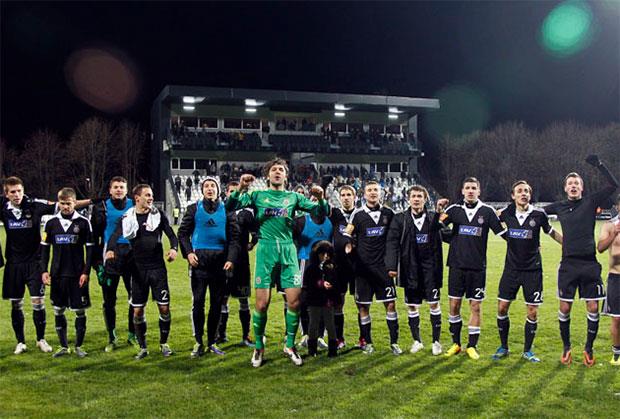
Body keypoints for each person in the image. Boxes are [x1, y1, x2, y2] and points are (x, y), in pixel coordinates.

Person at [226, 158, 328, 367]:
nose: (277, 172)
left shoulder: (294, 197)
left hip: (288, 250)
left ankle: (289, 346)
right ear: (268, 175)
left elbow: (320, 212)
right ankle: (258, 348)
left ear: (286, 176)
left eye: (281, 169)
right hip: (266, 249)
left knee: (294, 303)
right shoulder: (257, 195)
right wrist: (241, 187)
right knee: (261, 304)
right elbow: (230, 206)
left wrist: (321, 198)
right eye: (274, 169)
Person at [545, 155, 618, 366]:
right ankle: (566, 347)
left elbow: (613, 186)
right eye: (570, 183)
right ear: (565, 188)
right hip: (568, 265)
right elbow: (534, 214)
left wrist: (600, 165)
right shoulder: (559, 206)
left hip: (589, 264)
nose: (573, 186)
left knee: (593, 307)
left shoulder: (590, 201)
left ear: (582, 188)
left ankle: (588, 348)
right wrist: (552, 234)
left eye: (577, 183)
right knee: (565, 308)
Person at [491, 181, 562, 362]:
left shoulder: (539, 214)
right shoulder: (506, 213)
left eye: (526, 191)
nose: (523, 194)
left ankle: (527, 351)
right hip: (511, 269)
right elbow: (492, 220)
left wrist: (569, 245)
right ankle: (503, 347)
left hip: (533, 270)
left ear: (530, 195)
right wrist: (505, 235)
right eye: (519, 191)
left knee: (532, 312)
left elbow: (551, 232)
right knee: (502, 308)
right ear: (513, 196)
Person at [106, 184, 178, 360]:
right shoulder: (127, 217)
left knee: (164, 307)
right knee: (138, 311)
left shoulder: (158, 215)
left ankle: (164, 343)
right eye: (147, 195)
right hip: (137, 270)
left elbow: (171, 235)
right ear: (137, 198)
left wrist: (173, 249)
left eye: (151, 195)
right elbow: (115, 235)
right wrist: (110, 249)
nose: (151, 198)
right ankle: (143, 347)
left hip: (157, 269)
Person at [439, 177, 506, 360]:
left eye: (473, 188)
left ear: (479, 191)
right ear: (462, 191)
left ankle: (472, 346)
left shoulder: (487, 211)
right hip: (456, 266)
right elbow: (437, 227)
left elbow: (503, 233)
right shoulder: (454, 210)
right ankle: (456, 344)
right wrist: (452, 237)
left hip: (477, 267)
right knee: (454, 305)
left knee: (475, 306)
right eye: (467, 188)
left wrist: (527, 244)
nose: (470, 191)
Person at [177, 177, 240, 357]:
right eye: (206, 186)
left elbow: (234, 238)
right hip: (199, 263)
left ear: (218, 190)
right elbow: (182, 234)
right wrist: (189, 253)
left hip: (220, 264)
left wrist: (231, 259)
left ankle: (212, 341)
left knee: (216, 304)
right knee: (198, 302)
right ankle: (198, 342)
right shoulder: (193, 209)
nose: (210, 188)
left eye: (213, 186)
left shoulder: (227, 210)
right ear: (202, 190)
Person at [1, 176, 58, 354]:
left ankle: (41, 339)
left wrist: (92, 201)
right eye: (12, 192)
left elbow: (65, 202)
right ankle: (20, 342)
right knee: (16, 304)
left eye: (19, 191)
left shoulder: (34, 205)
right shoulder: (3, 208)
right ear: (6, 194)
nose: (17, 195)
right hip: (13, 264)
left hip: (35, 263)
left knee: (38, 302)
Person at [385, 185, 445, 356]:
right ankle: (417, 341)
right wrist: (391, 266)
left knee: (434, 303)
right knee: (412, 305)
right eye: (414, 196)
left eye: (420, 196)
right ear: (408, 199)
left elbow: (447, 232)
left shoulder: (433, 217)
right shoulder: (400, 219)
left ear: (425, 199)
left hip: (430, 268)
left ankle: (436, 342)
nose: (416, 199)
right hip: (409, 267)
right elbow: (392, 242)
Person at [344, 181, 401, 355]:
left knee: (390, 304)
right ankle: (368, 342)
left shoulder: (389, 213)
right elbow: (347, 234)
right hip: (363, 270)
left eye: (376, 189)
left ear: (381, 192)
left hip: (384, 269)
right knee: (363, 307)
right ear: (364, 194)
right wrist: (349, 246)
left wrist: (394, 263)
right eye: (369, 190)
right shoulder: (357, 215)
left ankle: (394, 343)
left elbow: (395, 238)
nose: (373, 192)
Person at [40, 188, 94, 358]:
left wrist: (86, 272)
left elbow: (90, 250)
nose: (65, 206)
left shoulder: (84, 222)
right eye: (62, 203)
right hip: (57, 274)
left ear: (75, 203)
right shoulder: (51, 223)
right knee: (58, 309)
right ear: (59, 203)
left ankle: (79, 346)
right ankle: (63, 346)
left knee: (80, 310)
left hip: (77, 274)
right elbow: (44, 250)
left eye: (68, 203)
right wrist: (44, 270)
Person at [91, 176, 136, 352]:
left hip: (131, 256)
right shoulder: (101, 207)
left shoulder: (134, 204)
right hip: (110, 256)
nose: (118, 190)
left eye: (122, 187)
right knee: (109, 300)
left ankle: (132, 335)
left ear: (127, 190)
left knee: (135, 298)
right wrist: (97, 263)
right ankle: (112, 337)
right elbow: (95, 237)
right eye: (115, 187)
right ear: (110, 190)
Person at [215, 181, 258, 348]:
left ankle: (246, 336)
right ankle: (221, 335)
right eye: (231, 191)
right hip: (223, 259)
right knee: (223, 298)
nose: (235, 194)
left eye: (237, 191)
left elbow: (256, 231)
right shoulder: (221, 211)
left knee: (243, 299)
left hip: (241, 261)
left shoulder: (247, 213)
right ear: (226, 193)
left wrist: (252, 243)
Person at [294, 190, 333, 348]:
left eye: (319, 200)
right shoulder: (301, 220)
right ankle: (305, 334)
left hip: (324, 265)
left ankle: (320, 336)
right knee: (304, 299)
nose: (316, 204)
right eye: (313, 200)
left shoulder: (330, 222)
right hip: (305, 262)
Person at [329, 185, 357, 348]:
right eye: (343, 195)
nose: (346, 198)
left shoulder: (359, 214)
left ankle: (364, 339)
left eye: (349, 195)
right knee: (338, 302)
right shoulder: (335, 214)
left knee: (361, 302)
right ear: (339, 198)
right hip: (338, 266)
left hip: (357, 265)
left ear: (354, 197)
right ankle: (339, 338)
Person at [302, 241, 340, 357]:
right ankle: (312, 349)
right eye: (322, 254)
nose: (325, 256)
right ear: (317, 254)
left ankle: (333, 350)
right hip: (314, 300)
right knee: (313, 324)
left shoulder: (332, 268)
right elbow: (308, 283)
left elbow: (336, 284)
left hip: (328, 301)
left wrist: (333, 290)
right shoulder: (311, 268)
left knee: (330, 325)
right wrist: (320, 284)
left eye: (327, 254)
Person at [598, 194, 620, 365]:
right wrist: (614, 234)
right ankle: (617, 353)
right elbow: (600, 248)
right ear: (617, 206)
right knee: (617, 318)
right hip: (616, 278)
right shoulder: (609, 226)